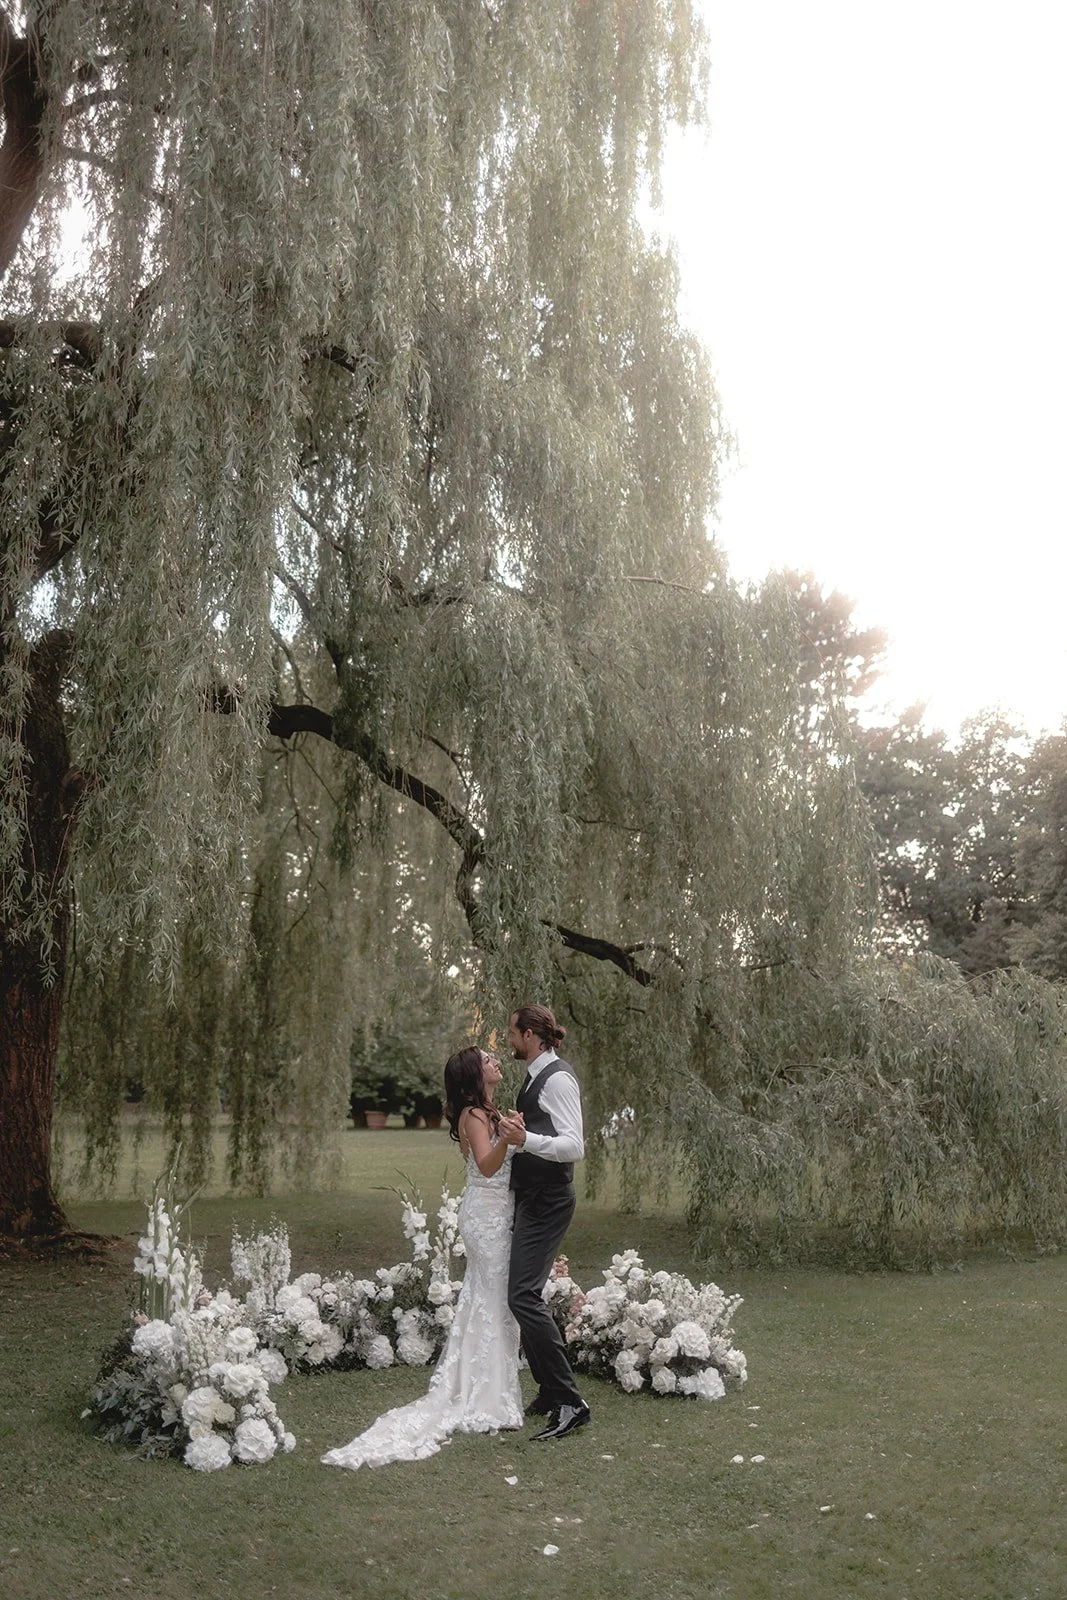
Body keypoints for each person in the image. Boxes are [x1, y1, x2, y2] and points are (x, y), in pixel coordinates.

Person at [321, 1046, 525, 1470]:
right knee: (492, 1300)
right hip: (486, 1216)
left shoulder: (487, 1112)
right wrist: (507, 1138)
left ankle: (489, 1388)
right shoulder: (473, 1113)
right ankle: (486, 1397)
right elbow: (487, 1167)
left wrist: (510, 1133)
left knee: (490, 1300)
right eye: (488, 1060)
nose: (496, 1062)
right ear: (474, 1073)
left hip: (496, 1213)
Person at [499, 1003, 592, 1442]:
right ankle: (551, 1391)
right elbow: (540, 1135)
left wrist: (526, 1139)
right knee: (524, 1295)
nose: (510, 1040)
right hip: (533, 1198)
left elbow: (574, 1145)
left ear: (532, 1034)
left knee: (522, 1296)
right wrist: (518, 1135)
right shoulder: (536, 1076)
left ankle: (571, 1402)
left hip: (550, 1200)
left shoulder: (557, 1079)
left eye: (514, 1033)